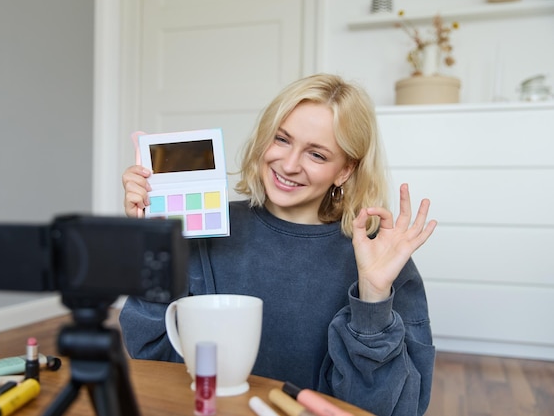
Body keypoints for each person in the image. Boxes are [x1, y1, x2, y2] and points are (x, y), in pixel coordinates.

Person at [119, 73, 437, 416]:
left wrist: (373, 298)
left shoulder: (381, 257)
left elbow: (393, 409)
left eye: (316, 154)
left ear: (345, 170)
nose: (288, 165)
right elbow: (152, 357)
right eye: (282, 139)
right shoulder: (203, 230)